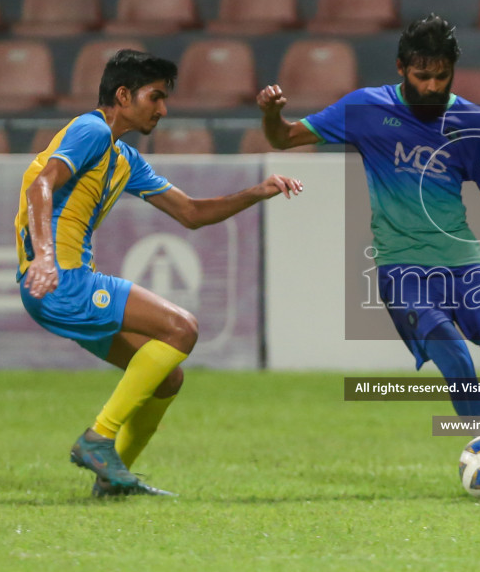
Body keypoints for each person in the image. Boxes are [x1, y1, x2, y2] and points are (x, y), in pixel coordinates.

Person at [257, 15, 480, 494]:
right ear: (401, 68)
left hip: (463, 262)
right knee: (452, 351)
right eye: (422, 75)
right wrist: (270, 116)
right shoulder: (365, 109)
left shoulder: (470, 121)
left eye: (442, 76)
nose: (432, 85)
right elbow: (284, 139)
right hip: (401, 266)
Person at [19, 49, 303, 497]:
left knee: (166, 377)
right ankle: (98, 438)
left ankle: (112, 483)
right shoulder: (91, 129)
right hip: (62, 280)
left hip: (60, 284)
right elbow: (41, 184)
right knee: (182, 329)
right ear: (123, 94)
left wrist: (257, 192)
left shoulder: (123, 158)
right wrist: (44, 255)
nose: (163, 109)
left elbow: (190, 213)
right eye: (155, 97)